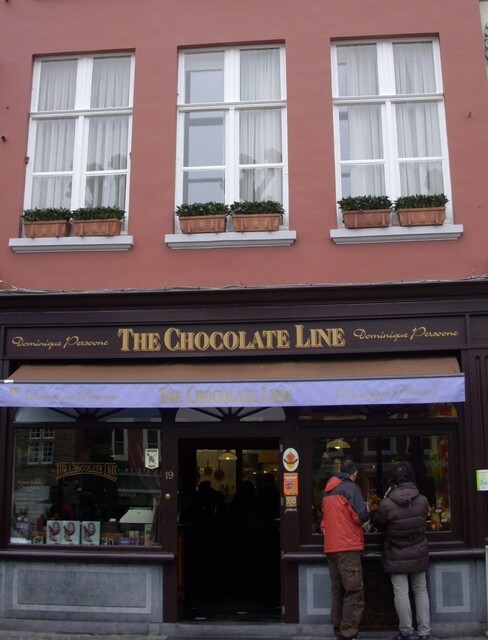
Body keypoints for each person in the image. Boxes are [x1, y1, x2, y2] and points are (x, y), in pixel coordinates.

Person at [373, 462, 431, 640]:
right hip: (418, 550)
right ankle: (424, 632)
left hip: (396, 552)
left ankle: (406, 632)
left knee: (401, 593)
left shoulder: (387, 503)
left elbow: (378, 524)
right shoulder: (423, 500)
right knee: (421, 590)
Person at [321, 459, 369, 640]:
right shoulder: (351, 488)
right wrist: (368, 510)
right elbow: (361, 516)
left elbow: (324, 520)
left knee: (338, 591)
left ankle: (338, 628)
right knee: (354, 591)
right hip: (348, 546)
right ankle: (348, 633)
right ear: (354, 474)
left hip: (331, 547)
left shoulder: (328, 490)